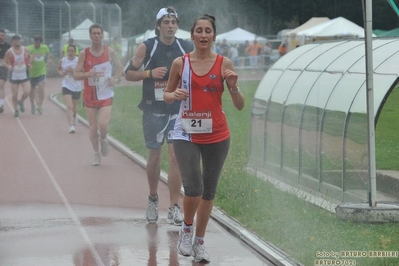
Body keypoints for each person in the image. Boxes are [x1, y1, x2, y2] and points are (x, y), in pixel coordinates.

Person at [163, 14, 245, 263]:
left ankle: (199, 241)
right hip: (185, 133)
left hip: (217, 135)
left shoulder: (224, 63)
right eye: (198, 30)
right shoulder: (181, 63)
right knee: (194, 187)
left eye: (207, 31)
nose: (203, 35)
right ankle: (186, 230)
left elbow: (240, 106)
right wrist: (173, 94)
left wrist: (233, 86)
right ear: (192, 35)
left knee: (208, 192)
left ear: (214, 36)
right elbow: (166, 94)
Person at [124, 6, 194, 225]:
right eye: (166, 22)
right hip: (153, 110)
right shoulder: (147, 47)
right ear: (158, 26)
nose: (170, 26)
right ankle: (153, 197)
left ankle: (174, 206)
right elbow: (128, 74)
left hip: (177, 111)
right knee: (155, 157)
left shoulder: (186, 46)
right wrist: (149, 74)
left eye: (174, 22)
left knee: (176, 157)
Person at [73, 23, 123, 166]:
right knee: (93, 127)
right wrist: (87, 74)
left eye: (98, 33)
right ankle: (96, 154)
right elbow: (76, 75)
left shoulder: (110, 52)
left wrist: (116, 79)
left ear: (102, 35)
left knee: (103, 125)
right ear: (90, 36)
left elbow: (120, 68)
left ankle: (104, 139)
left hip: (106, 94)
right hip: (90, 96)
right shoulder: (84, 53)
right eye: (93, 33)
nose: (96, 36)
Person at [2, 35, 32, 117]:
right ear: (13, 42)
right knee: (14, 94)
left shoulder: (25, 49)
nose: (17, 41)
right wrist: (8, 66)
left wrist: (29, 64)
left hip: (24, 74)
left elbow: (30, 57)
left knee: (27, 92)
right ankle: (16, 109)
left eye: (18, 40)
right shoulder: (9, 51)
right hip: (14, 75)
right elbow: (4, 62)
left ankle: (21, 101)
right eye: (15, 40)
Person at [57, 44, 81, 133]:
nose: (70, 53)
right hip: (66, 85)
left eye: (72, 51)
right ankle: (71, 125)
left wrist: (73, 71)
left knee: (74, 107)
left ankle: (74, 116)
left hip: (76, 86)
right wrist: (61, 73)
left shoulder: (78, 61)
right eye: (69, 51)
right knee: (69, 106)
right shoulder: (63, 60)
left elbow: (82, 73)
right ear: (67, 52)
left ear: (75, 52)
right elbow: (58, 69)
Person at [27, 35, 51, 115]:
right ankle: (32, 105)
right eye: (36, 42)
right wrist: (30, 61)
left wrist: (48, 61)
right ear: (33, 41)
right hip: (32, 72)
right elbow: (27, 59)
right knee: (32, 89)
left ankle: (40, 105)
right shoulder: (29, 48)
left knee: (41, 87)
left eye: (39, 42)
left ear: (41, 42)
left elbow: (48, 56)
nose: (37, 44)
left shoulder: (44, 47)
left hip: (42, 71)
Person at [0, 29, 11, 113]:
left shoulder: (8, 46)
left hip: (3, 68)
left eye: (2, 35)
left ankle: (1, 105)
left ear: (5, 37)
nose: (1, 37)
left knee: (1, 86)